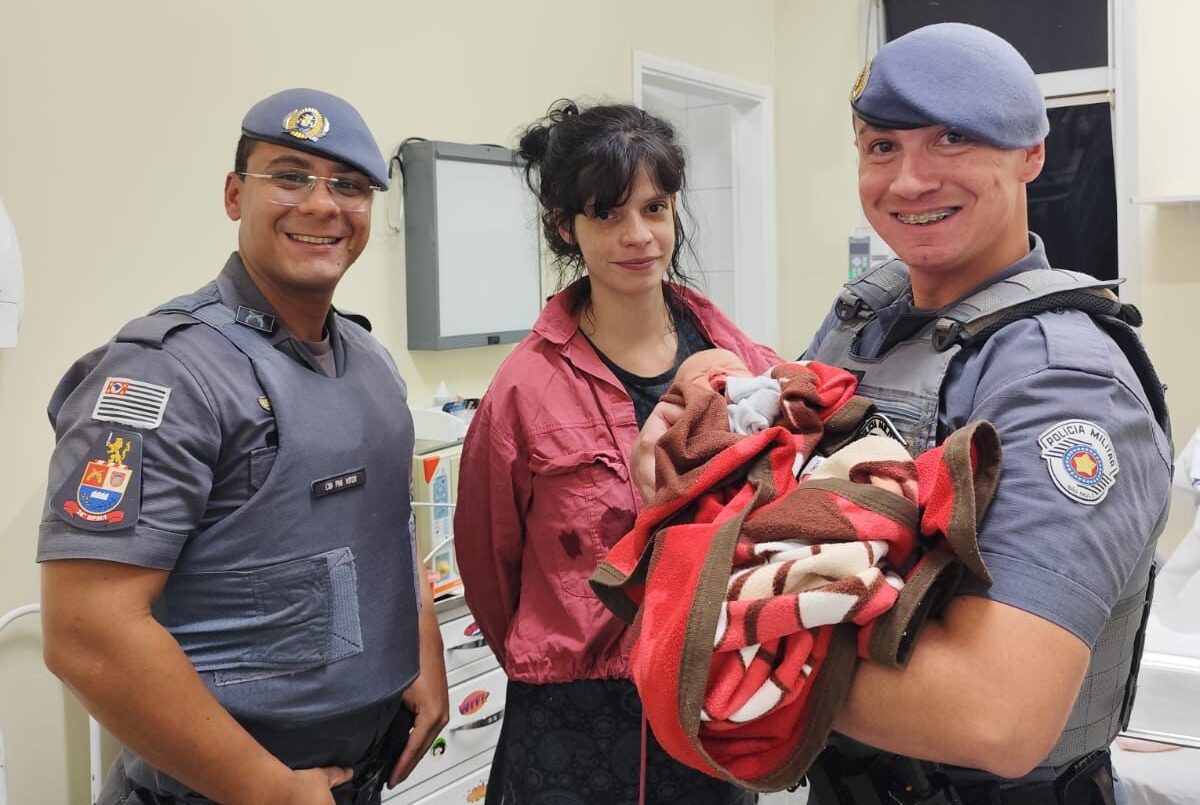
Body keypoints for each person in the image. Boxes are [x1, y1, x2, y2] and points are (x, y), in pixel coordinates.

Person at [628, 22, 1173, 804]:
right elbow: (792, 481)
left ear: (1031, 155)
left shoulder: (1060, 382)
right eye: (881, 146)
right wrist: (709, 419)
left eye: (952, 139)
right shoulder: (870, 320)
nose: (909, 180)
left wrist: (691, 621)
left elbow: (998, 715)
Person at [38, 88, 449, 805]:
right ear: (235, 194)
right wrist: (272, 792)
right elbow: (87, 633)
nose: (323, 205)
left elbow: (389, 525)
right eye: (290, 176)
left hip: (355, 776)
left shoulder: (370, 362)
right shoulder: (163, 373)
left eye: (349, 186)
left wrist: (423, 649)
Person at [453, 100, 781, 805]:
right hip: (570, 721)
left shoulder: (739, 362)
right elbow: (488, 565)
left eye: (654, 208)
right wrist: (567, 637)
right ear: (564, 227)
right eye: (607, 214)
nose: (638, 235)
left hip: (705, 695)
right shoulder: (525, 387)